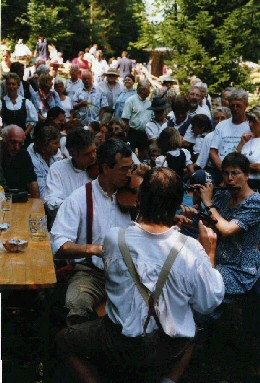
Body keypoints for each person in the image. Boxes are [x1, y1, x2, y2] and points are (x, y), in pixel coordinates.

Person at [55, 167, 224, 383]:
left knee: (63, 341)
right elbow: (209, 302)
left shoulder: (115, 238)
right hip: (169, 344)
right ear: (178, 204)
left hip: (118, 342)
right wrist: (209, 253)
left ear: (140, 199)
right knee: (191, 332)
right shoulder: (191, 249)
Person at [50, 140, 134, 326]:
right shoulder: (79, 198)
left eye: (132, 168)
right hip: (92, 273)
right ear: (106, 168)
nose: (129, 174)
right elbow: (59, 244)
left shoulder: (135, 195)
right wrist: (95, 249)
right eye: (123, 169)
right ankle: (79, 346)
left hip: (128, 272)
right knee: (76, 303)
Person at [200, 152, 260, 296]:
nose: (230, 179)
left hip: (241, 270)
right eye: (226, 174)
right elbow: (211, 224)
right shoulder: (223, 196)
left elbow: (226, 229)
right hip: (219, 260)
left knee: (202, 285)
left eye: (235, 173)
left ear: (247, 176)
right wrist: (193, 215)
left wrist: (208, 202)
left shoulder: (255, 202)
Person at [44, 129, 97, 215]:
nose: (93, 156)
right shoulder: (57, 169)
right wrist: (76, 207)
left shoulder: (102, 168)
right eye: (87, 154)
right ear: (72, 153)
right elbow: (52, 201)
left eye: (94, 150)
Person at [210, 89, 250, 185]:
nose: (235, 109)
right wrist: (225, 173)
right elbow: (213, 152)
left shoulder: (251, 126)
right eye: (232, 106)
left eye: (238, 106)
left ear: (246, 105)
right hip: (222, 174)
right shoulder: (221, 125)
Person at [0, 125, 40, 197]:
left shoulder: (23, 154)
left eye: (20, 143)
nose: (17, 147)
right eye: (13, 142)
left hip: (18, 199)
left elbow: (32, 182)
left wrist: (36, 203)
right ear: (4, 139)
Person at [1, 73, 38, 147]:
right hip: (7, 141)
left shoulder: (26, 102)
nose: (11, 86)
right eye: (8, 84)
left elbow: (33, 121)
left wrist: (23, 135)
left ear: (18, 85)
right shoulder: (1, 102)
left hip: (23, 141)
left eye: (13, 84)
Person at [27, 125, 63, 199]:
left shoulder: (53, 154)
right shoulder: (32, 161)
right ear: (44, 147)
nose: (59, 146)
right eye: (55, 143)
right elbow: (42, 194)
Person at [122, 80, 152, 161]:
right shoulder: (130, 101)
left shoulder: (149, 103)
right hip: (133, 132)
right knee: (131, 155)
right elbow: (125, 119)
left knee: (143, 156)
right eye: (148, 88)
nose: (150, 91)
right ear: (142, 90)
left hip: (145, 134)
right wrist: (127, 134)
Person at [236, 106, 260, 191]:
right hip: (245, 183)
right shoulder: (246, 139)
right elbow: (233, 160)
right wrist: (241, 143)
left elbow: (258, 168)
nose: (250, 124)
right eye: (249, 121)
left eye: (254, 122)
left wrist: (241, 166)